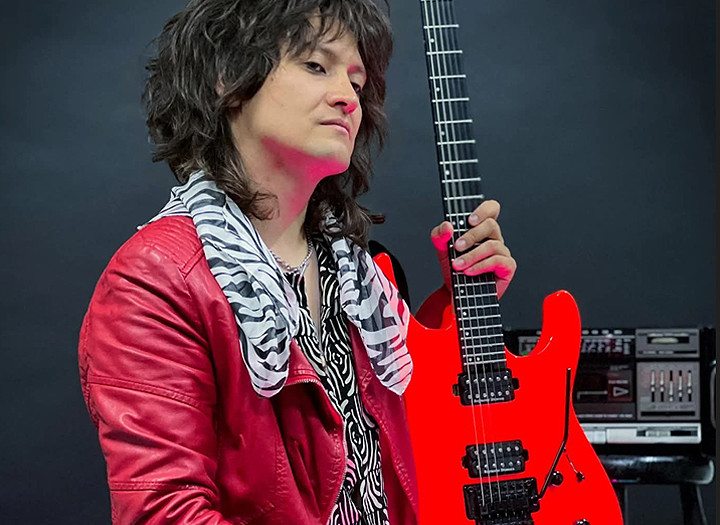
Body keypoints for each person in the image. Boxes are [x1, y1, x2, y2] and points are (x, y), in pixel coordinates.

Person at [78, 1, 517, 524]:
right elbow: (165, 514)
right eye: (316, 65)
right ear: (228, 78)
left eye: (357, 82)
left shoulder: (362, 276)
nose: (347, 96)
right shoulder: (153, 281)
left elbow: (409, 442)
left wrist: (461, 303)